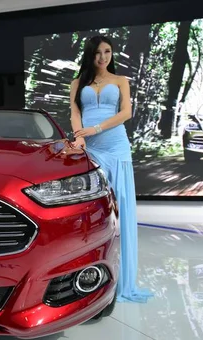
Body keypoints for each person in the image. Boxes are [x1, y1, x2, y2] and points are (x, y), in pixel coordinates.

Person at [70, 35, 152, 303]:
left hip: (116, 147)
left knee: (122, 209)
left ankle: (124, 280)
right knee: (93, 209)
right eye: (97, 52)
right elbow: (74, 112)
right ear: (90, 55)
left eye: (107, 52)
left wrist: (96, 129)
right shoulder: (77, 83)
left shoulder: (120, 81)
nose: (103, 57)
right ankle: (88, 275)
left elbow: (126, 113)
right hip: (89, 149)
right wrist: (80, 136)